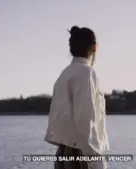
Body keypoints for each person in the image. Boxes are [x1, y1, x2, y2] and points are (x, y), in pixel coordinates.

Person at [44, 25, 110, 169]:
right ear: (94, 48)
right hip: (80, 155)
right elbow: (85, 122)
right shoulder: (86, 73)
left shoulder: (64, 75)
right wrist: (97, 163)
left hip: (63, 153)